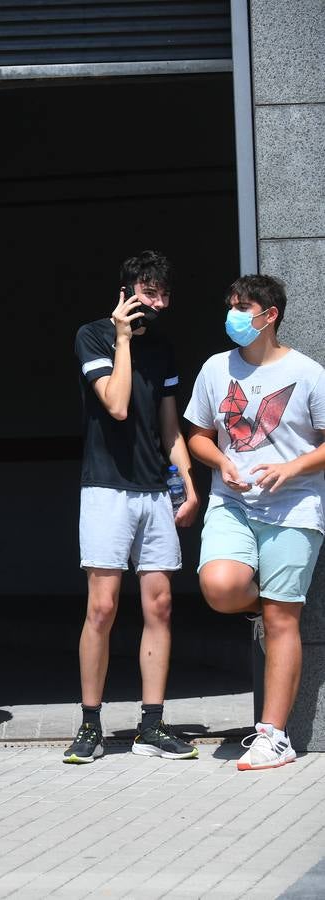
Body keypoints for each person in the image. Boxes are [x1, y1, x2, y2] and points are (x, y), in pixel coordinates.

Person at [185, 275, 325, 771]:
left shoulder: (307, 373)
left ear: (271, 315)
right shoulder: (215, 368)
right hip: (233, 503)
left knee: (283, 618)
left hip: (293, 509)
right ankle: (259, 607)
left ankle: (274, 736)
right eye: (231, 306)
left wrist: (293, 467)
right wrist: (220, 463)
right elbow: (199, 434)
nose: (234, 315)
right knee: (220, 587)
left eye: (244, 307)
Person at [66, 251, 200, 764]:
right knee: (101, 607)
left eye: (164, 293)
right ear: (125, 292)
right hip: (105, 488)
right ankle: (90, 723)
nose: (157, 302)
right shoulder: (94, 336)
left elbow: (169, 428)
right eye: (148, 291)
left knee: (160, 606)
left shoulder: (164, 349)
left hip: (153, 493)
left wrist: (186, 482)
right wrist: (122, 338)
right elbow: (117, 403)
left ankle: (152, 723)